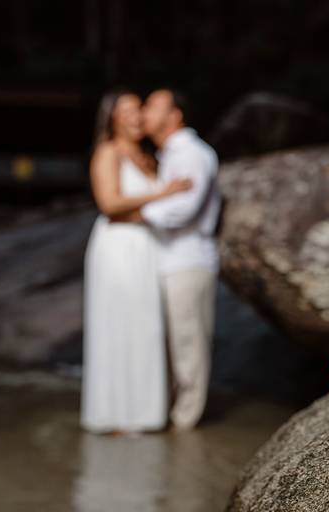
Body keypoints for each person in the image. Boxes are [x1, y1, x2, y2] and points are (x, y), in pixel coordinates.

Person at [81, 90, 191, 433]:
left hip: (146, 247)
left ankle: (143, 413)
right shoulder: (108, 152)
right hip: (117, 246)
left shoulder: (147, 156)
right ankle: (112, 414)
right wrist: (164, 193)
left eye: (138, 109)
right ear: (112, 117)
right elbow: (109, 203)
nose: (136, 116)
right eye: (126, 110)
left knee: (144, 327)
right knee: (117, 325)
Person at [140, 89, 221, 430]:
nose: (144, 112)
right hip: (169, 259)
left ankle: (186, 420)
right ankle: (175, 412)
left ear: (175, 116)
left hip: (188, 260)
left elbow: (184, 209)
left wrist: (140, 209)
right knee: (175, 343)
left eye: (153, 106)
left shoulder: (192, 153)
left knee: (189, 344)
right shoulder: (168, 155)